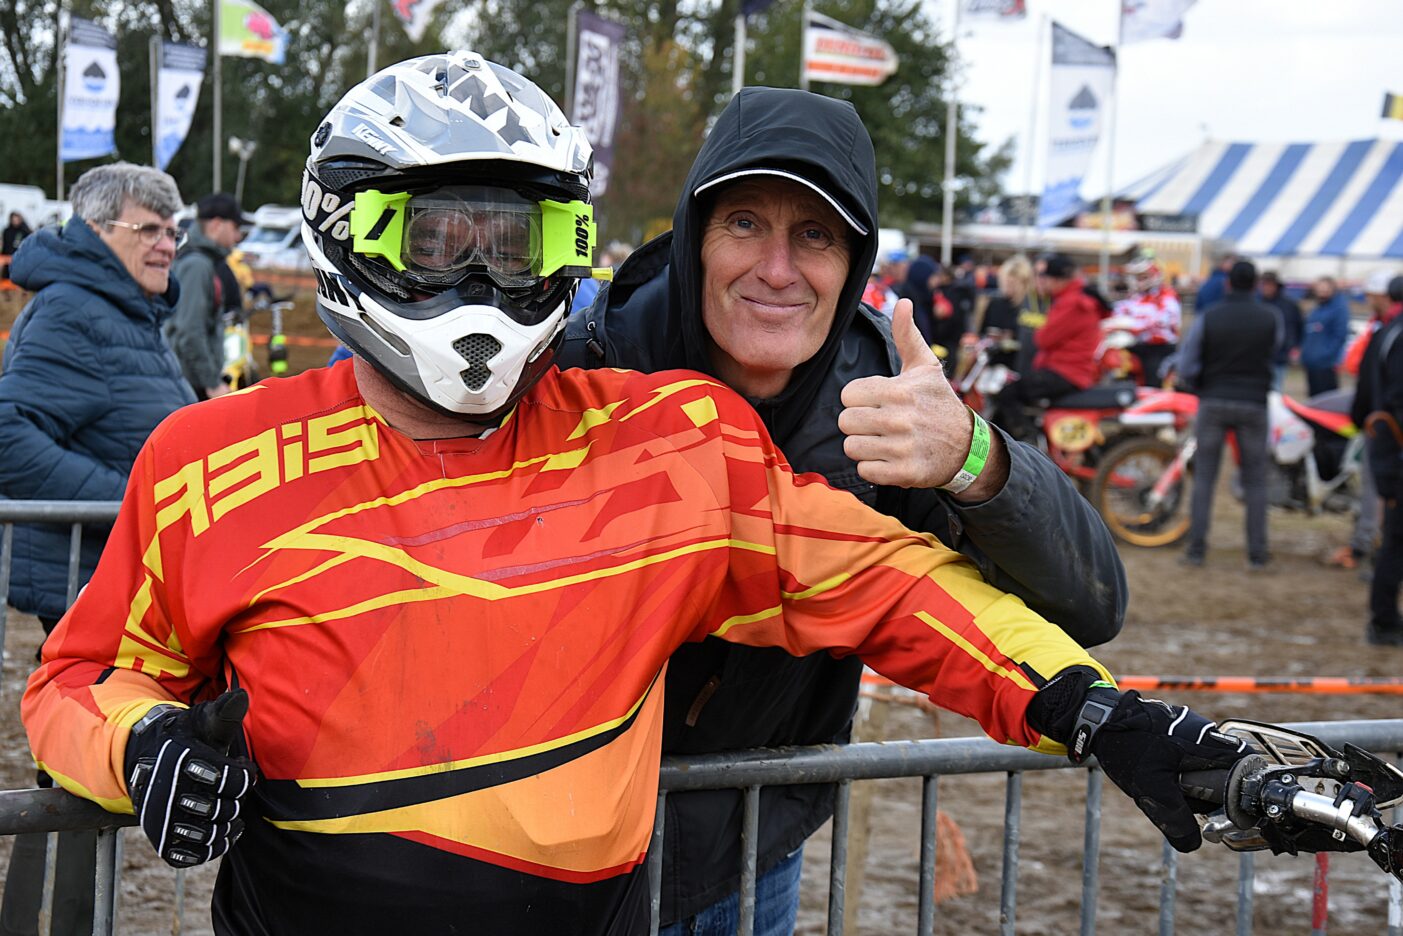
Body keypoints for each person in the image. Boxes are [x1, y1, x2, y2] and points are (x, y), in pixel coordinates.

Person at [23, 53, 1244, 936]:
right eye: (441, 238)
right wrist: (145, 748)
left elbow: (892, 586)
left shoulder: (669, 441)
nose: (482, 276)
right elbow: (82, 679)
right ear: (352, 228)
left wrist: (1100, 712)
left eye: (519, 240)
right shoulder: (210, 459)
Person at [560, 87, 1125, 933]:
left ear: (855, 259)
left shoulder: (887, 405)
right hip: (560, 857)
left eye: (815, 235)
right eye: (743, 223)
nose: (776, 269)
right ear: (693, 234)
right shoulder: (579, 369)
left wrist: (974, 456)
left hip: (750, 846)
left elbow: (1091, 604)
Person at [0, 163, 195, 936]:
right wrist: (129, 510)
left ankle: (60, 918)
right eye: (149, 229)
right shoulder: (73, 311)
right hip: (87, 586)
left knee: (88, 767)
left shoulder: (124, 310)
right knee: (80, 764)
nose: (167, 244)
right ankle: (51, 921)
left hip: (119, 586)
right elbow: (9, 436)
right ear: (97, 231)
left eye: (172, 230)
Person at [1178, 260, 1280, 570]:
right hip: (1254, 403)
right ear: (1256, 285)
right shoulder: (1271, 317)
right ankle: (1257, 554)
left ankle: (1196, 550)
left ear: (1227, 283)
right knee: (1256, 481)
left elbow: (1187, 365)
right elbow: (1276, 353)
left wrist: (1199, 385)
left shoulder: (1209, 317)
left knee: (1205, 478)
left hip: (1213, 400)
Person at [1329, 270, 1401, 572]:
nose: (1370, 301)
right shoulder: (1381, 328)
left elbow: (1373, 383)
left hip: (1386, 424)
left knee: (1378, 488)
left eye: (1374, 297)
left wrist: (1364, 418)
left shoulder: (1389, 332)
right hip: (1384, 420)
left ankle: (1370, 548)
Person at [993, 253, 1105, 441]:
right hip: (1067, 370)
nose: (1042, 282)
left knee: (1008, 393)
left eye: (1045, 278)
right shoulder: (1073, 298)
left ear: (1057, 280)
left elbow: (1043, 339)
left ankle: (1029, 442)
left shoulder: (1071, 303)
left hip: (1065, 372)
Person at [1351, 275, 1403, 645]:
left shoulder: (1386, 332)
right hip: (1394, 447)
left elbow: (1365, 391)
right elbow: (1397, 399)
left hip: (1385, 444)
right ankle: (1384, 621)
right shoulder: (1394, 335)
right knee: (1396, 540)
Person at [165, 193, 252, 400]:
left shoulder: (201, 261)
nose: (237, 237)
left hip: (188, 379)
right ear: (216, 225)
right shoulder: (197, 265)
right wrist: (212, 383)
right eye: (235, 228)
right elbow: (190, 330)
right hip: (190, 385)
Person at [1114, 252, 1181, 385]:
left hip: (1159, 349)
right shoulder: (1134, 297)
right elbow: (1119, 313)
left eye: (1143, 277)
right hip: (1136, 346)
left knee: (1153, 383)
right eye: (1136, 277)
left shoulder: (1167, 295)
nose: (1139, 281)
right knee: (1124, 376)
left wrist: (1135, 324)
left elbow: (1164, 319)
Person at [979, 253, 1043, 373]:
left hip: (1020, 364)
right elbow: (983, 330)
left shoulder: (1030, 306)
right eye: (1005, 282)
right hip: (994, 362)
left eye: (1012, 284)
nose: (1007, 287)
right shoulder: (996, 302)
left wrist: (1012, 336)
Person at [1300, 276, 1351, 397]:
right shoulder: (1317, 308)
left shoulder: (1338, 309)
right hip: (1311, 363)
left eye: (1325, 288)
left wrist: (1326, 355)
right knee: (1313, 399)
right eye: (1319, 288)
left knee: (1325, 399)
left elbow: (1340, 336)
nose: (1322, 291)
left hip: (1326, 364)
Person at [1258, 271, 1302, 390]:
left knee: (1276, 389)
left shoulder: (1289, 305)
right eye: (1264, 284)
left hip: (1280, 355)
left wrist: (1294, 346)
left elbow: (1298, 326)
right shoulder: (1257, 303)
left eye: (1269, 284)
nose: (1266, 288)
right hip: (1259, 356)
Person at [2, 211, 31, 278]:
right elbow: (5, 245)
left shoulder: (25, 231)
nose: (15, 221)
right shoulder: (7, 231)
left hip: (20, 258)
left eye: (17, 219)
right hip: (8, 258)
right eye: (13, 219)